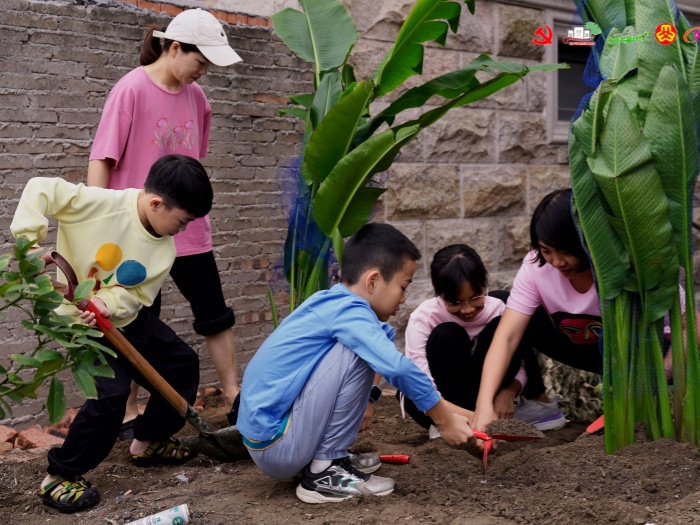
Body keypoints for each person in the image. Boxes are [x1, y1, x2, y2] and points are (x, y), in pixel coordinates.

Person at [10, 155, 214, 513]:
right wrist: (29, 244)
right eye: (182, 221)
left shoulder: (163, 249)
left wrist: (108, 304)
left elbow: (136, 295)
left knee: (181, 363)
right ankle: (60, 477)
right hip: (76, 321)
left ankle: (148, 440)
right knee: (112, 393)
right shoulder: (99, 203)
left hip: (122, 317)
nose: (182, 230)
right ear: (155, 203)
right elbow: (39, 188)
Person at [236, 223, 473, 504]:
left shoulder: (334, 304)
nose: (404, 298)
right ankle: (323, 472)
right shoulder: (348, 311)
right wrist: (444, 420)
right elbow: (397, 367)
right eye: (402, 286)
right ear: (372, 281)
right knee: (361, 349)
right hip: (277, 442)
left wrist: (367, 401)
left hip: (275, 438)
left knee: (375, 340)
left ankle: (325, 460)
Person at [86, 8, 243, 431]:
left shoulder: (198, 99)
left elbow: (192, 168)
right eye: (200, 61)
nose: (203, 72)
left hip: (187, 231)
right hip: (136, 232)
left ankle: (233, 397)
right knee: (136, 317)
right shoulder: (130, 90)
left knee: (214, 312)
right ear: (174, 48)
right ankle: (129, 411)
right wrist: (100, 225)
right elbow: (102, 159)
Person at [472, 188, 613, 432]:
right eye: (547, 251)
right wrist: (483, 405)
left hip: (633, 357)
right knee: (499, 304)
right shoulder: (536, 265)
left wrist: (652, 378)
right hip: (577, 348)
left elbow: (691, 326)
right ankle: (539, 403)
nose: (557, 262)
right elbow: (507, 338)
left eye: (565, 252)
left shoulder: (618, 264)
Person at [400, 244, 566, 437]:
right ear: (439, 294)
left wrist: (508, 392)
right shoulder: (424, 318)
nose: (468, 309)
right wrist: (472, 417)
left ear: (484, 285)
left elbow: (521, 365)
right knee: (448, 333)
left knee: (505, 326)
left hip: (484, 399)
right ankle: (446, 424)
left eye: (475, 298)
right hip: (437, 406)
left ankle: (509, 411)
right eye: (455, 303)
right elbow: (419, 384)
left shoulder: (498, 309)